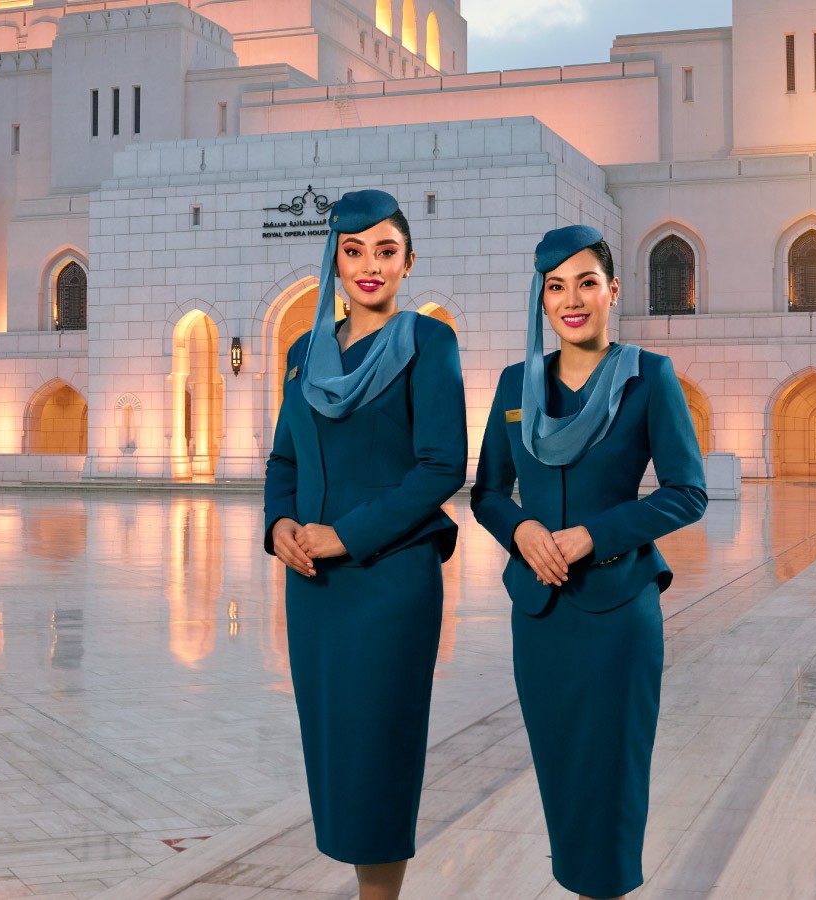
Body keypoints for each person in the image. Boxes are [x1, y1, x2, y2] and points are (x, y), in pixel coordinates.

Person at [470, 225, 707, 900]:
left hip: (617, 612)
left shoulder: (648, 376)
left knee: (611, 778)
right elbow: (487, 492)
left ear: (613, 292)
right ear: (541, 300)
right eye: (555, 287)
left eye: (585, 283)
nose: (571, 300)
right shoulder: (518, 383)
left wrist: (588, 538)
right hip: (539, 616)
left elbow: (686, 493)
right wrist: (522, 534)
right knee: (563, 776)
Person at [263, 189, 467, 900]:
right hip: (314, 586)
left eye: (386, 250)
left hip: (388, 580)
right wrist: (280, 527)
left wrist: (345, 535)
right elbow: (284, 459)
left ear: (408, 261)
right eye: (354, 251)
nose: (369, 265)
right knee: (340, 747)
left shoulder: (426, 343)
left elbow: (443, 465)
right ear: (335, 259)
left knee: (379, 747)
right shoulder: (303, 352)